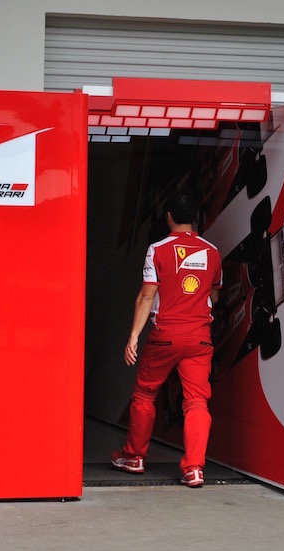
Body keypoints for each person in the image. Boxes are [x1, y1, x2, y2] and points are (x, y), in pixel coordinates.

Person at [111, 186, 223, 488]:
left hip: (165, 336)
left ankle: (134, 457)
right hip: (199, 338)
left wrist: (133, 336)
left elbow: (147, 296)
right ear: (194, 217)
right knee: (197, 401)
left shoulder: (157, 250)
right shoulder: (213, 252)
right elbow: (214, 295)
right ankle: (194, 469)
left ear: (169, 216)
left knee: (145, 394)